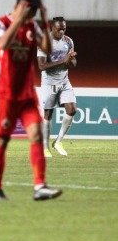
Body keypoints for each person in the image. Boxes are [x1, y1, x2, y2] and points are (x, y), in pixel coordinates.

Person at [0, 0, 62, 201]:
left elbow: (47, 49)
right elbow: (2, 44)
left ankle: (40, 186)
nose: (32, 16)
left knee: (37, 136)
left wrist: (46, 21)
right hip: (6, 94)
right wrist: (18, 20)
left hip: (27, 95)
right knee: (2, 141)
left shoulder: (32, 26)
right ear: (21, 6)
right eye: (31, 11)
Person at [37, 17, 77, 157]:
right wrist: (63, 60)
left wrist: (72, 60)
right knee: (48, 114)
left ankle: (58, 142)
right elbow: (41, 66)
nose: (62, 31)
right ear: (51, 28)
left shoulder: (68, 41)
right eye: (59, 29)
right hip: (49, 82)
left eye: (64, 29)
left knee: (72, 110)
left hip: (64, 81)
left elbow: (73, 63)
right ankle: (45, 147)